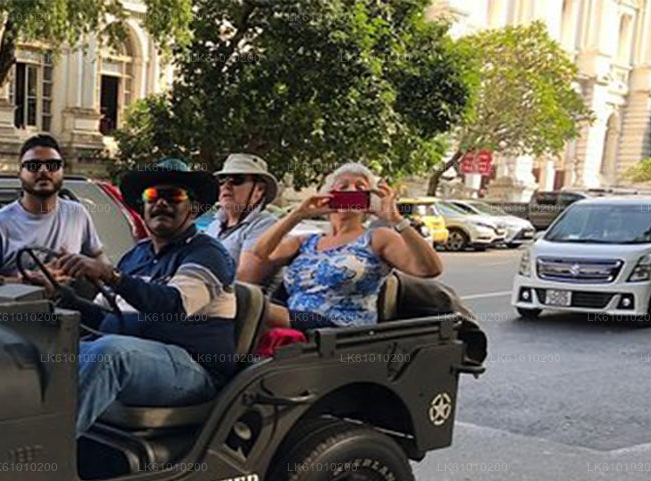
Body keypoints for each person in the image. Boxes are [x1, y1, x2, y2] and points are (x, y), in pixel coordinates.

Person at [53, 159, 238, 435]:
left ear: (193, 207)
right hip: (137, 356)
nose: (161, 203)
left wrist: (110, 275)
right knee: (42, 349)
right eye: (152, 196)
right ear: (143, 206)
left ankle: (44, 454)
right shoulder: (135, 256)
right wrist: (58, 295)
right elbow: (103, 316)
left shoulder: (207, 254)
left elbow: (171, 305)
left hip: (193, 369)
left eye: (173, 196)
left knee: (110, 354)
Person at [250, 162, 443, 330]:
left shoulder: (377, 237)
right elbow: (260, 253)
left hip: (339, 331)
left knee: (248, 307)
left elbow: (429, 269)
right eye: (343, 186)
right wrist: (297, 215)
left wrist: (396, 220)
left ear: (369, 198)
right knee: (239, 305)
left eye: (360, 187)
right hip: (294, 322)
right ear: (328, 195)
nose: (351, 191)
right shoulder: (307, 241)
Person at [0, 134, 103, 283]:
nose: (44, 171)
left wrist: (89, 267)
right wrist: (23, 282)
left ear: (62, 171)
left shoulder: (77, 214)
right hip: (23, 306)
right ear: (19, 173)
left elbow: (99, 258)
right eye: (33, 166)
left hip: (70, 305)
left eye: (52, 165)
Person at [208, 154, 279, 284]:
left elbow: (245, 280)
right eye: (222, 180)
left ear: (259, 190)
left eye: (237, 179)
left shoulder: (265, 225)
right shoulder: (214, 225)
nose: (226, 186)